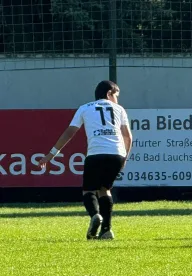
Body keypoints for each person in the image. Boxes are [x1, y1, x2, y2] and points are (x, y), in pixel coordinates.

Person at [39, 80, 132, 240]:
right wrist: (124, 157)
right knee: (105, 189)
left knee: (89, 191)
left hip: (96, 154)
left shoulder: (85, 108)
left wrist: (51, 154)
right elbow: (127, 136)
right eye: (117, 95)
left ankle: (95, 215)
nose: (117, 99)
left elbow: (69, 133)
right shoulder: (119, 109)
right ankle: (106, 230)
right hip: (116, 153)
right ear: (109, 93)